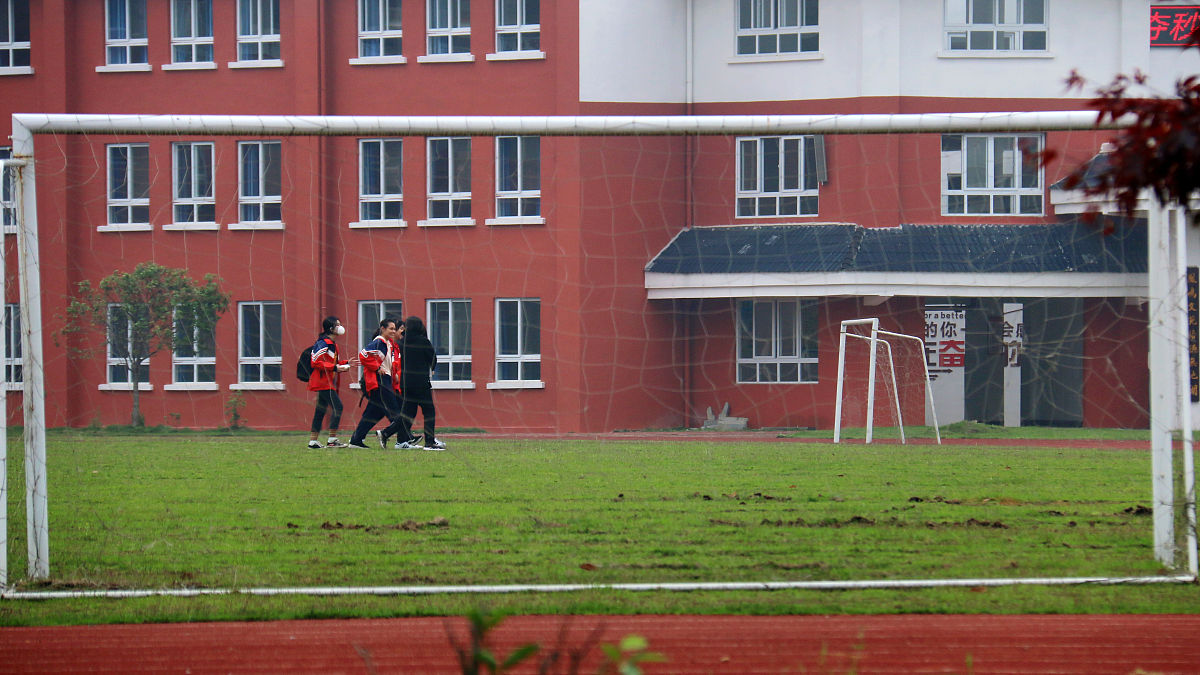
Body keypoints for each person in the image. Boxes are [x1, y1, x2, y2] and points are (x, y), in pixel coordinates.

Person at [347, 318, 413, 449]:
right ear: (383, 329)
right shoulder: (380, 342)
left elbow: (386, 362)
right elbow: (363, 355)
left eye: (395, 329)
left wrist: (392, 373)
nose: (393, 331)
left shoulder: (387, 343)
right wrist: (377, 368)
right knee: (395, 412)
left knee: (373, 413)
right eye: (391, 328)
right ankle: (403, 439)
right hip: (379, 382)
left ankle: (356, 440)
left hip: (385, 381)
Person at [395, 315, 446, 451]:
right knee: (429, 411)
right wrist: (431, 367)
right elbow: (432, 359)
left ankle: (391, 436)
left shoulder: (401, 343)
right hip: (421, 382)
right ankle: (429, 442)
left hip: (405, 383)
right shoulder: (423, 341)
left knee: (408, 412)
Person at [307, 316, 354, 449]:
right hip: (323, 381)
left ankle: (313, 441)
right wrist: (335, 368)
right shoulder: (324, 343)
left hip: (327, 381)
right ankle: (332, 440)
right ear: (331, 328)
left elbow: (334, 363)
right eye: (337, 325)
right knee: (338, 407)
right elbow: (315, 361)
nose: (340, 327)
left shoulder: (332, 344)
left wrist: (345, 363)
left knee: (320, 410)